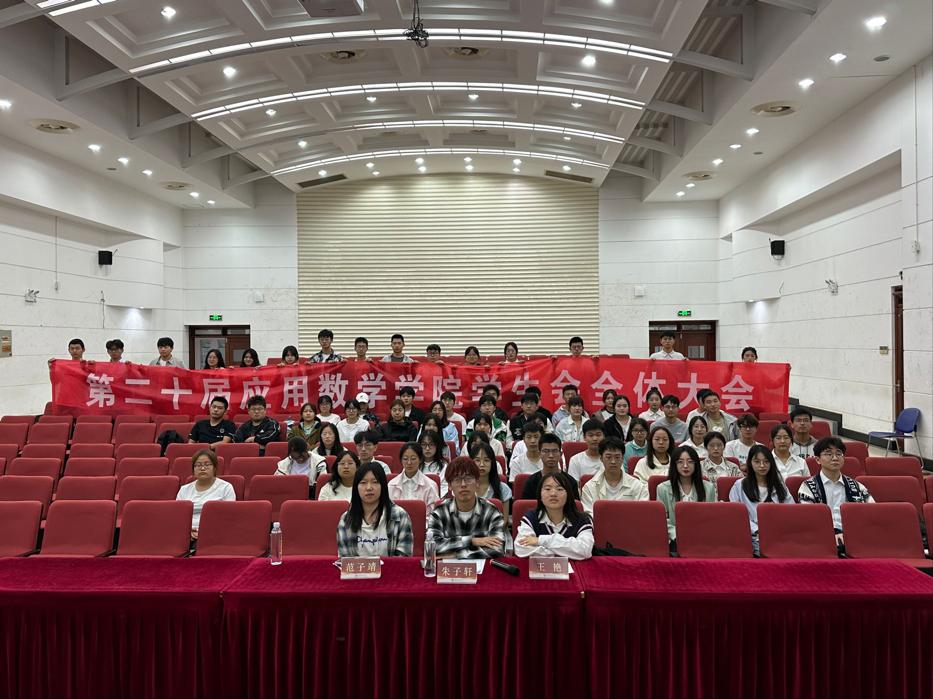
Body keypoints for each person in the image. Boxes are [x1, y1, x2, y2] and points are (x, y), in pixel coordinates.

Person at [797, 437, 873, 546]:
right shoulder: (808, 487)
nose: (835, 458)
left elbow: (871, 513)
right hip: (820, 538)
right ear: (817, 459)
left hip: (855, 537)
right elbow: (809, 519)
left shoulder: (857, 487)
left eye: (838, 453)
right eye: (828, 454)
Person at [427, 457, 505, 559]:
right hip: (448, 569)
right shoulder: (439, 512)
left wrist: (456, 555)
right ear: (449, 486)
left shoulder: (491, 511)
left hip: (482, 568)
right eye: (457, 480)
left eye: (468, 479)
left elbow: (498, 548)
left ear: (477, 482)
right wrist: (471, 541)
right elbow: (431, 546)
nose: (463, 485)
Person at [337, 463, 414, 557]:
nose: (369, 488)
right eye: (363, 482)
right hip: (357, 567)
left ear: (383, 486)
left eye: (375, 482)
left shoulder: (400, 516)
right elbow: (345, 561)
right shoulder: (346, 520)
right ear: (356, 487)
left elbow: (403, 559)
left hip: (392, 567)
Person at [729, 445, 794, 554]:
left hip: (777, 533)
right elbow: (735, 515)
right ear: (750, 463)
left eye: (766, 462)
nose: (762, 465)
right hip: (750, 534)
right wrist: (757, 530)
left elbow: (791, 511)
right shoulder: (739, 485)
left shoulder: (779, 485)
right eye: (757, 462)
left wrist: (775, 530)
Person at [515, 471, 593, 560]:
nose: (553, 494)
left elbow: (585, 550)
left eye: (559, 489)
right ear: (540, 495)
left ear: (568, 494)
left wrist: (540, 540)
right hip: (541, 568)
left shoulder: (582, 520)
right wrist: (565, 553)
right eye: (547, 489)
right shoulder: (531, 518)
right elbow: (521, 548)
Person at [656, 446, 715, 543]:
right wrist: (678, 536)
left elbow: (712, 517)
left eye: (690, 461)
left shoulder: (709, 488)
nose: (685, 465)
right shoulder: (663, 488)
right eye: (680, 462)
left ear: (696, 464)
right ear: (674, 465)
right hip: (675, 539)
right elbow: (662, 520)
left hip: (703, 538)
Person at [176, 450, 235, 539]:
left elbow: (229, 516)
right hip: (186, 532)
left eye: (207, 464)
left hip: (215, 533)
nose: (203, 468)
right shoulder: (184, 489)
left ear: (214, 468)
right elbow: (178, 516)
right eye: (198, 465)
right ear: (193, 469)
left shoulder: (226, 487)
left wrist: (205, 531)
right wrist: (187, 531)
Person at [581, 437, 648, 516]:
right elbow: (588, 516)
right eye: (608, 457)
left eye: (617, 457)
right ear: (601, 458)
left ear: (622, 458)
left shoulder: (638, 486)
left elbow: (643, 514)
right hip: (600, 524)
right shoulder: (590, 487)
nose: (613, 461)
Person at [524, 434, 580, 501]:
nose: (551, 455)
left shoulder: (570, 481)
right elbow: (527, 506)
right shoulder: (531, 482)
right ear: (539, 454)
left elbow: (575, 506)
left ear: (561, 454)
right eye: (546, 451)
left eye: (555, 451)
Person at [388, 442, 439, 507]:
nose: (409, 463)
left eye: (413, 459)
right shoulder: (391, 485)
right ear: (401, 460)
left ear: (420, 459)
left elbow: (434, 511)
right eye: (405, 459)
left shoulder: (430, 485)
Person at [420, 430, 449, 495]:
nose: (427, 448)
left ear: (437, 446)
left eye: (431, 444)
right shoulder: (413, 464)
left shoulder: (444, 467)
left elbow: (444, 488)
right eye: (424, 445)